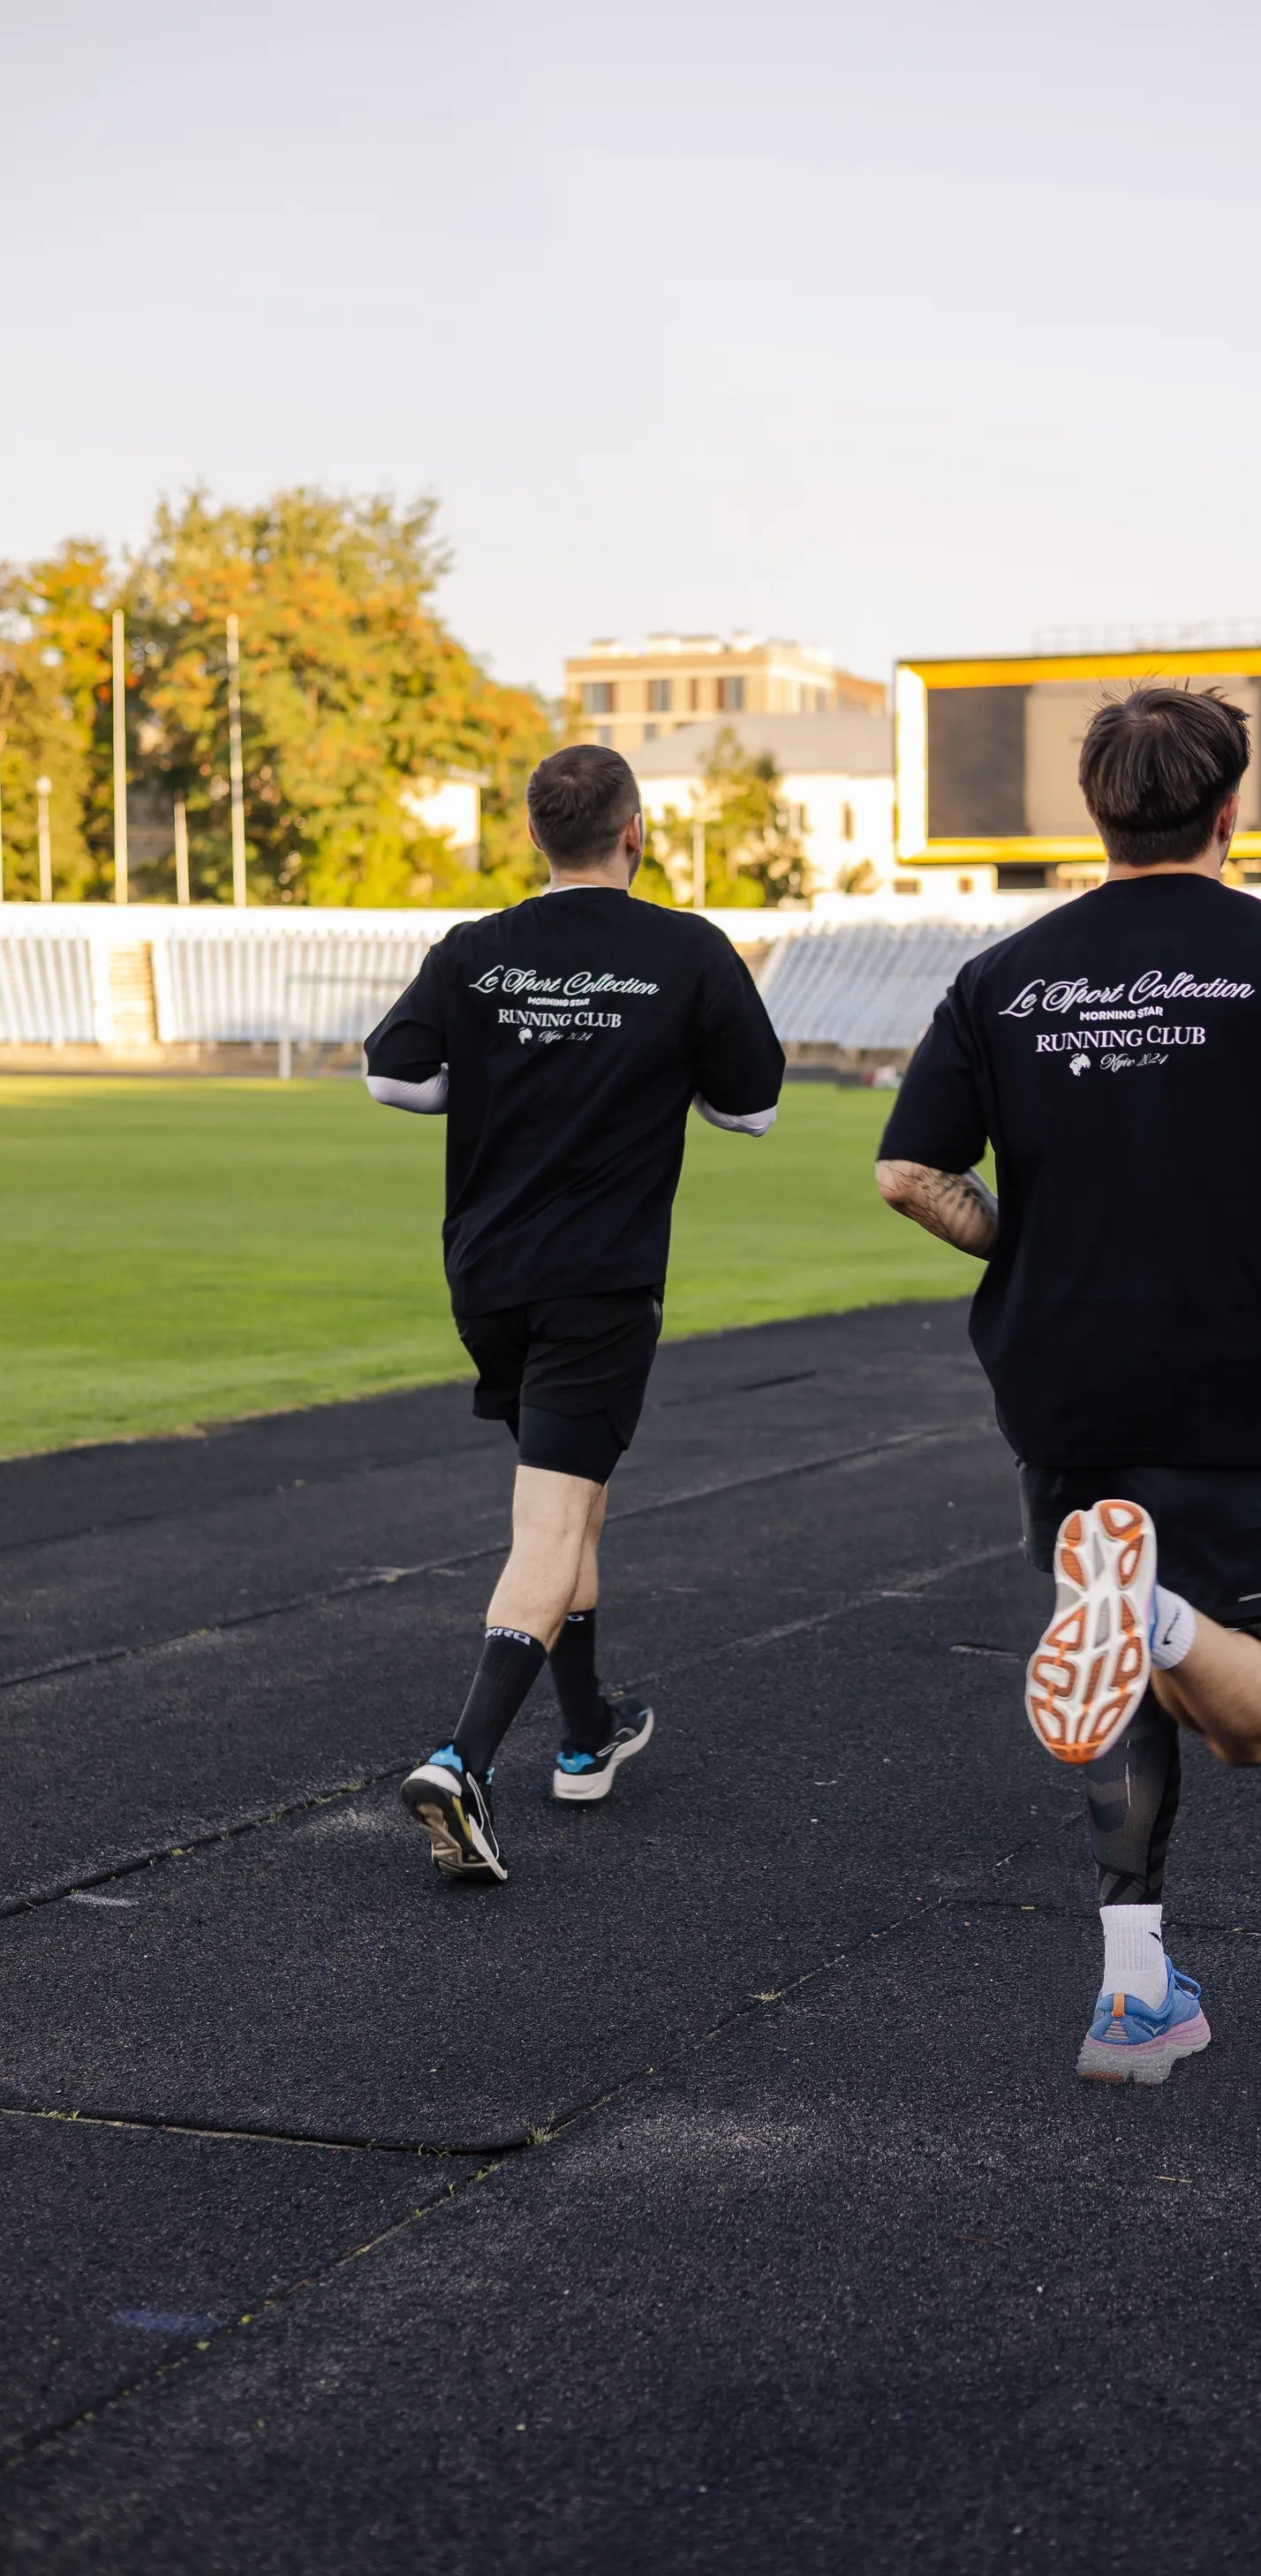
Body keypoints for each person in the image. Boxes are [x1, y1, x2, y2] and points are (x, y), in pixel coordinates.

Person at [874, 686, 1261, 2082]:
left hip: (1062, 1373)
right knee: (1258, 1718)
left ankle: (1133, 1995)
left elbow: (909, 1173)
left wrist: (1028, 1243)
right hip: (1230, 1372)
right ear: (1233, 811)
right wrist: (1235, 1259)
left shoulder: (1004, 975)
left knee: (1109, 1683)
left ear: (1096, 815)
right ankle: (1155, 1608)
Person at [364, 744, 784, 1883]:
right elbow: (751, 1107)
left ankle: (589, 1734)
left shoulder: (475, 949)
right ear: (635, 831)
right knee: (549, 1527)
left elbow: (393, 1076)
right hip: (597, 1281)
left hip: (486, 1276)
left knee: (572, 1503)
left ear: (536, 837)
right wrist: (650, 1066)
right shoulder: (687, 949)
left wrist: (511, 1065)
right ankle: (463, 1761)